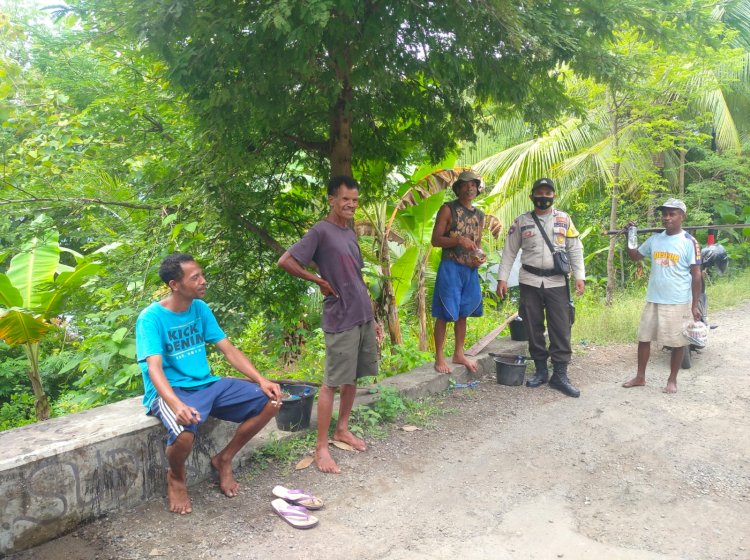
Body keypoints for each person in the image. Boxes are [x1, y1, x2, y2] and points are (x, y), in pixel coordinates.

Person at [136, 253, 282, 515]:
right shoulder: (151, 318)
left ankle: (224, 458)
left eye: (202, 274)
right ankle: (176, 479)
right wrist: (177, 404)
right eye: (196, 278)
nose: (204, 281)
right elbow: (154, 369)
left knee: (270, 401)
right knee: (184, 432)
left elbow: (228, 350)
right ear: (175, 285)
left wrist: (261, 379)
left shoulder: (200, 308)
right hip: (173, 391)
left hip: (207, 384)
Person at [278, 175, 384, 474]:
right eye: (345, 199)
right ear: (331, 200)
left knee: (352, 378)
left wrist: (373, 317)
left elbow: (358, 278)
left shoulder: (349, 233)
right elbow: (285, 261)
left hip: (361, 313)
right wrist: (318, 280)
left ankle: (342, 429)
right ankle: (321, 447)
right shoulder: (320, 232)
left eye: (355, 200)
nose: (351, 204)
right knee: (331, 383)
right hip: (340, 317)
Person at [496, 177, 585, 397]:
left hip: (557, 282)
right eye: (540, 193)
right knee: (532, 327)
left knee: (561, 328)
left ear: (553, 195)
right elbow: (509, 252)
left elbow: (575, 248)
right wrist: (502, 279)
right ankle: (541, 371)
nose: (543, 197)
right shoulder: (521, 221)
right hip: (530, 282)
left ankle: (560, 375)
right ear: (532, 196)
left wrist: (580, 276)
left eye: (548, 193)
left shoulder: (564, 219)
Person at [622, 198, 702, 394]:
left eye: (672, 213)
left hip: (678, 301)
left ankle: (672, 380)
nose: (667, 218)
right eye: (664, 214)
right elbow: (635, 256)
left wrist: (694, 305)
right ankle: (640, 377)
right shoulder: (655, 239)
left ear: (682, 216)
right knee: (644, 338)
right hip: (654, 298)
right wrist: (630, 235)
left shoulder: (689, 242)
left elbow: (696, 274)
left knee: (678, 341)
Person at [431, 169, 486, 374]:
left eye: (473, 184)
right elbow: (435, 240)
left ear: (477, 189)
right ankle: (439, 357)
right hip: (450, 267)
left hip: (469, 270)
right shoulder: (448, 209)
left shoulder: (480, 215)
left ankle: (459, 353)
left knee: (463, 313)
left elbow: (477, 243)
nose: (470, 187)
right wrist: (458, 240)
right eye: (465, 184)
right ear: (458, 188)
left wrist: (479, 256)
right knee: (445, 313)